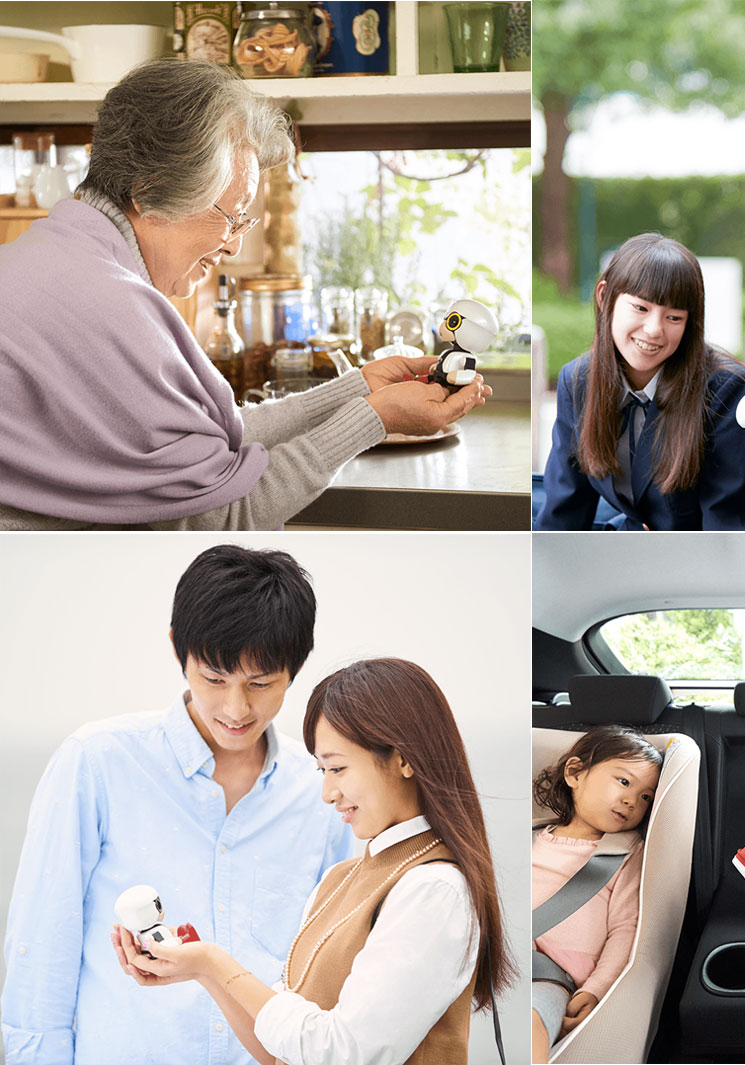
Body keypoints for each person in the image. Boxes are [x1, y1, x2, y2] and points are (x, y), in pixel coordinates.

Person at [0, 59, 490, 530]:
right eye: (230, 215)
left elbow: (212, 433)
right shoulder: (109, 307)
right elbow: (222, 516)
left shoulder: (55, 253)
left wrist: (358, 388)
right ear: (149, 191)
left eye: (244, 219)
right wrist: (373, 420)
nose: (234, 242)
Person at [1, 544, 353, 1065]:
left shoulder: (323, 790)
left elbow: (333, 967)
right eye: (214, 679)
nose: (236, 709)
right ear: (176, 650)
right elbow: (41, 949)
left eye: (260, 684)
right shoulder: (96, 762)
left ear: (296, 667)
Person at [113, 657, 515, 1065]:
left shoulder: (434, 889)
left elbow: (344, 1054)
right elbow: (281, 1054)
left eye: (338, 767)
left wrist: (217, 964)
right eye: (322, 769)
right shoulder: (338, 880)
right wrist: (203, 971)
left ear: (404, 759)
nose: (327, 792)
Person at [534, 233, 745, 530]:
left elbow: (732, 532)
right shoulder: (579, 381)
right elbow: (562, 516)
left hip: (701, 566)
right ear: (604, 295)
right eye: (640, 308)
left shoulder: (726, 390)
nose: (653, 330)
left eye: (674, 317)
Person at [531, 727, 663, 1063]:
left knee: (529, 1025)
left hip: (550, 980)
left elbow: (625, 928)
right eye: (623, 781)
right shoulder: (526, 838)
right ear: (575, 773)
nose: (632, 800)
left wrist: (595, 988)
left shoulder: (621, 855)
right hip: (493, 963)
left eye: (646, 797)